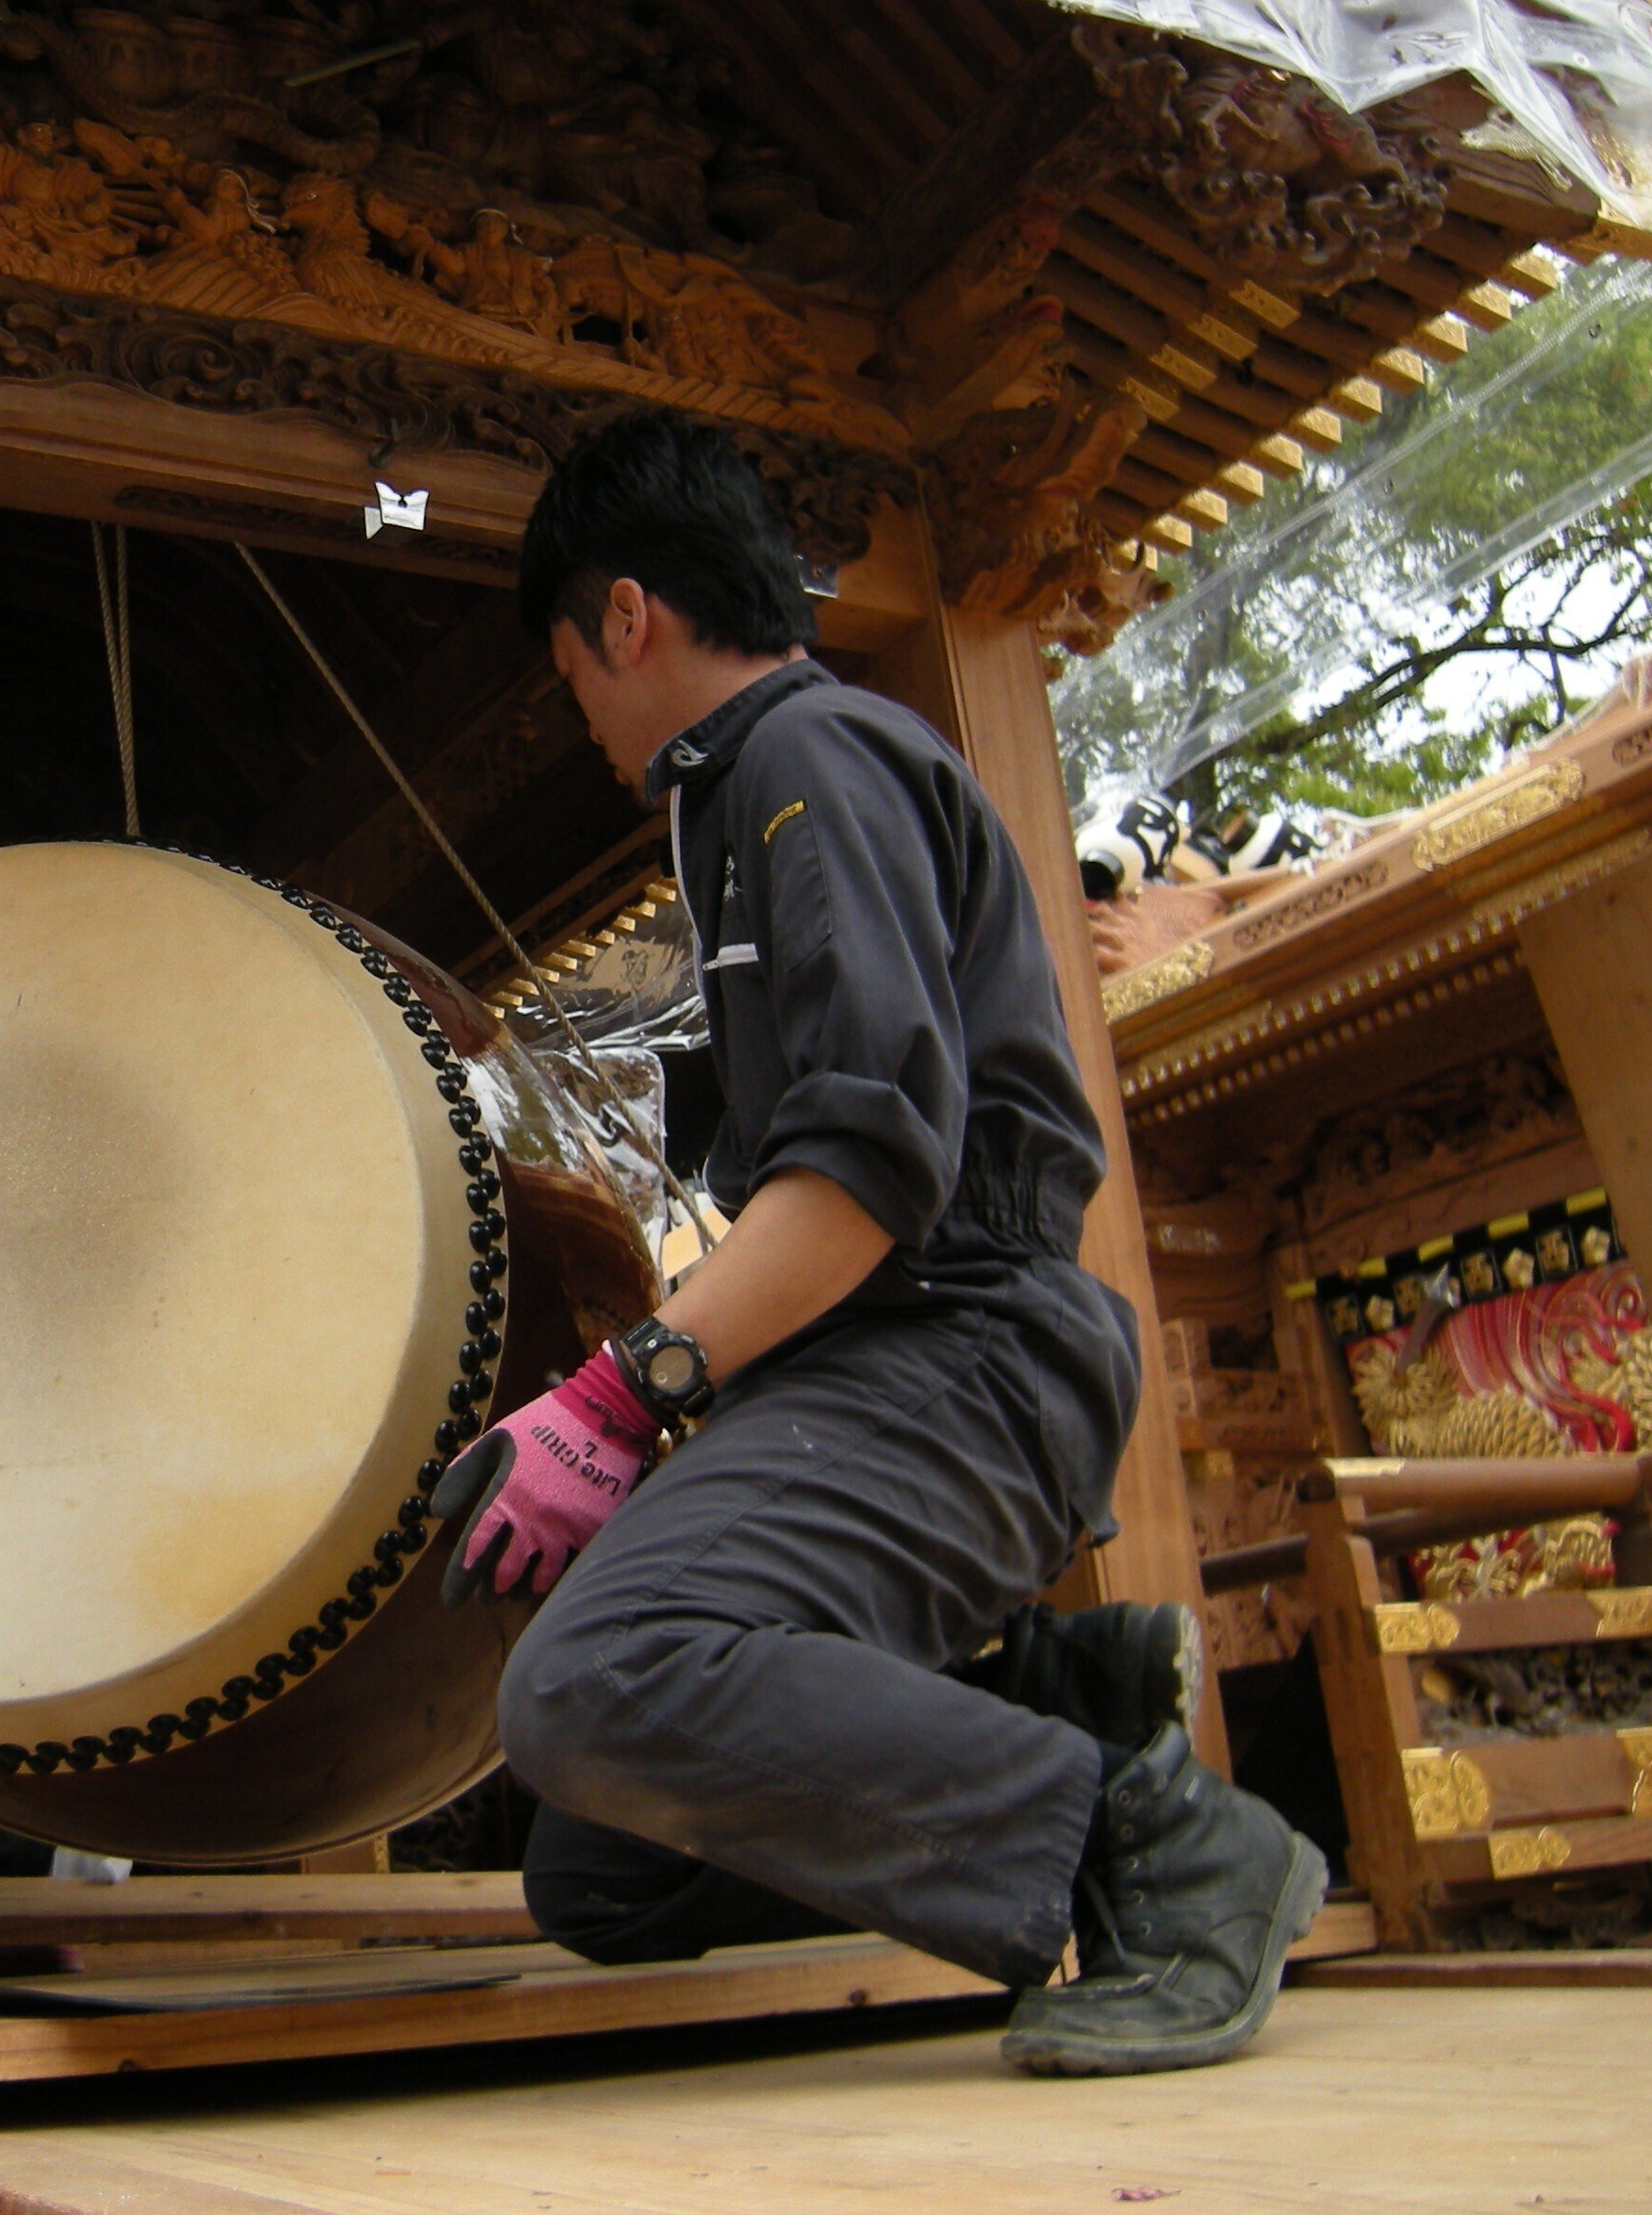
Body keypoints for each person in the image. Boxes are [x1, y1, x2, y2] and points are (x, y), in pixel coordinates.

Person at [433, 411, 1322, 2075]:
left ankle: (1169, 1850)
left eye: (573, 673)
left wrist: (621, 1400)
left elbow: (863, 1176)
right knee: (602, 1874)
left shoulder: (804, 759)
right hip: (888, 1368)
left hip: (965, 1352)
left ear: (626, 619)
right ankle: (1044, 1707)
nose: (589, 719)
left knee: (586, 1689)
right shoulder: (755, 794)